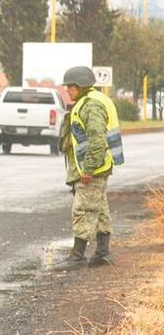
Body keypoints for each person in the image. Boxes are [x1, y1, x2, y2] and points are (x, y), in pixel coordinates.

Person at [54, 65, 124, 270]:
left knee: (82, 209)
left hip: (93, 168)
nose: (67, 90)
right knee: (100, 208)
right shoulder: (90, 101)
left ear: (83, 85)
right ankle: (103, 252)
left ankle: (77, 256)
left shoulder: (92, 105)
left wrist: (88, 169)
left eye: (71, 86)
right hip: (98, 166)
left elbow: (96, 140)